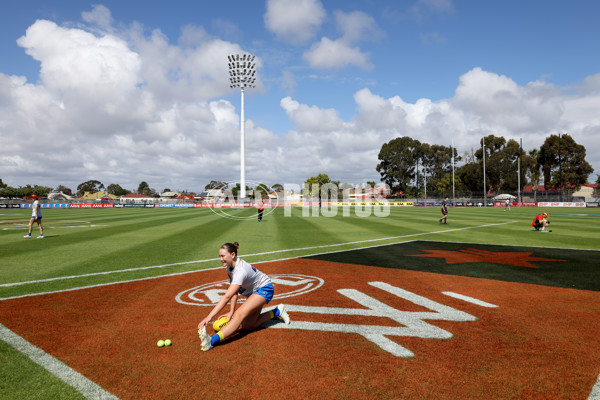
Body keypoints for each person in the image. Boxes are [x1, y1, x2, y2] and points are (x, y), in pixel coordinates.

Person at [197, 242, 290, 351]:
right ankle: (277, 311)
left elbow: (226, 297)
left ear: (232, 255)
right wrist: (230, 312)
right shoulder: (229, 266)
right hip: (253, 293)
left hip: (265, 289)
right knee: (248, 325)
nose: (220, 259)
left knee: (239, 315)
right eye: (219, 256)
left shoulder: (240, 271)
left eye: (223, 256)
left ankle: (212, 341)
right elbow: (234, 292)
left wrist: (209, 317)